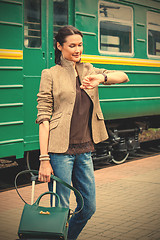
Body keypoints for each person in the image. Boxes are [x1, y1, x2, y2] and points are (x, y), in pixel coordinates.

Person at [36, 25, 129, 240]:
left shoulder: (89, 70)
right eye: (72, 45)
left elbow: (123, 76)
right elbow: (43, 118)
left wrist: (101, 79)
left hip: (85, 150)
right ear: (60, 46)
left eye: (80, 45)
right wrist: (44, 159)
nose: (77, 50)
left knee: (88, 207)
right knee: (60, 210)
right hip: (60, 153)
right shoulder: (50, 74)